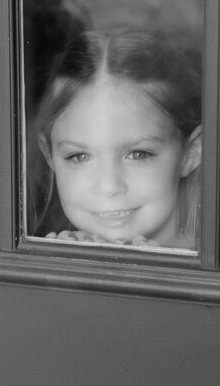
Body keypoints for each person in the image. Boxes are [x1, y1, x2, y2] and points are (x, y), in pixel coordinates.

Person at [29, 29, 202, 249]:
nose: (109, 186)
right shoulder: (47, 266)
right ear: (49, 155)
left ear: (191, 152)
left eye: (138, 155)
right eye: (80, 156)